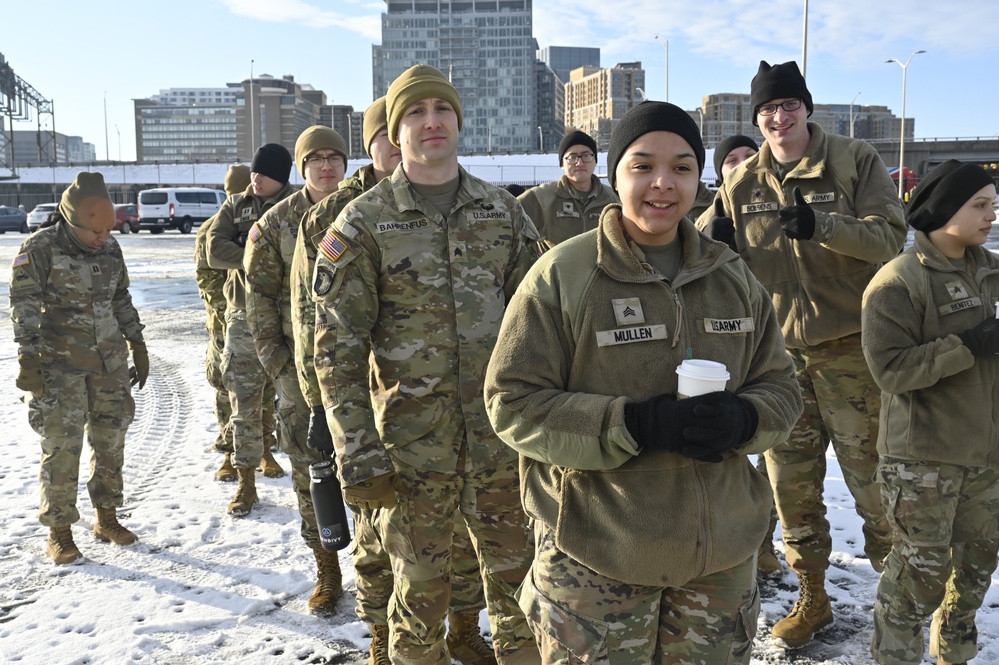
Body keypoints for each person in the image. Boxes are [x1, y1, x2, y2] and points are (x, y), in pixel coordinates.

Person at [484, 101, 803, 664]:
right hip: (595, 553)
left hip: (719, 558)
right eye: (642, 166)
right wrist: (631, 423)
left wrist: (745, 419)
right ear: (614, 175)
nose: (663, 183)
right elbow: (512, 402)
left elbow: (780, 385)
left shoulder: (732, 276)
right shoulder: (565, 274)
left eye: (682, 167)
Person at [312, 64, 541, 664]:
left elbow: (543, 328)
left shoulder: (504, 213)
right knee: (418, 602)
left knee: (524, 590)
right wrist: (357, 452)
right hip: (411, 452)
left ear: (459, 122)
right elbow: (335, 349)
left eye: (442, 110)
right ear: (396, 127)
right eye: (415, 112)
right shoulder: (361, 224)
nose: (431, 122)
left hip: (502, 444)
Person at [697, 60, 906, 649]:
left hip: (852, 351)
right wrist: (711, 243)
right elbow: (702, 239)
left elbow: (891, 235)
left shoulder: (851, 160)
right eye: (767, 110)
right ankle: (812, 595)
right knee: (791, 484)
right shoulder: (744, 182)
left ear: (806, 109)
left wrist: (823, 225)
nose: (777, 118)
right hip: (781, 361)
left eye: (788, 106)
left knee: (874, 479)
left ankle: (900, 596)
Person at [862, 160, 999, 665]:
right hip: (922, 460)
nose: (991, 214)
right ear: (946, 210)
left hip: (986, 454)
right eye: (979, 205)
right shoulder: (898, 281)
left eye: (992, 203)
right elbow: (891, 370)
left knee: (978, 568)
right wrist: (968, 344)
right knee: (918, 580)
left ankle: (954, 654)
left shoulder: (992, 271)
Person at [10, 172, 148, 564]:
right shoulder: (40, 248)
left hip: (108, 361)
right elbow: (22, 303)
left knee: (110, 441)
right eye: (94, 231)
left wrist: (136, 342)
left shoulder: (110, 247)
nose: (102, 237)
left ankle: (106, 517)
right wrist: (28, 356)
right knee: (61, 448)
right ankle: (60, 532)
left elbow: (120, 296)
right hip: (59, 366)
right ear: (72, 221)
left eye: (108, 229)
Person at [241, 126, 349, 613]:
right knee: (312, 475)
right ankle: (327, 570)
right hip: (299, 378)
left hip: (363, 374)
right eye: (316, 159)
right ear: (301, 168)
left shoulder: (367, 210)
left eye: (334, 157)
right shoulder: (275, 225)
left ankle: (379, 575)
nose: (326, 165)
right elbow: (257, 300)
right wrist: (279, 364)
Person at [206, 143, 294, 516]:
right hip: (243, 316)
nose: (254, 178)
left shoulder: (298, 204)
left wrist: (244, 249)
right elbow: (213, 250)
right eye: (254, 172)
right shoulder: (235, 206)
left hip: (287, 315)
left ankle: (297, 468)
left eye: (263, 173)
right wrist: (258, 255)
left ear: (281, 177)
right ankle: (245, 483)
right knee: (243, 403)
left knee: (291, 401)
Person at [517, 129, 617, 248]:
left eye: (586, 155)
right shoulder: (543, 197)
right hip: (557, 266)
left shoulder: (612, 199)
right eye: (572, 157)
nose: (579, 163)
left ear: (595, 161)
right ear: (562, 164)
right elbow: (508, 217)